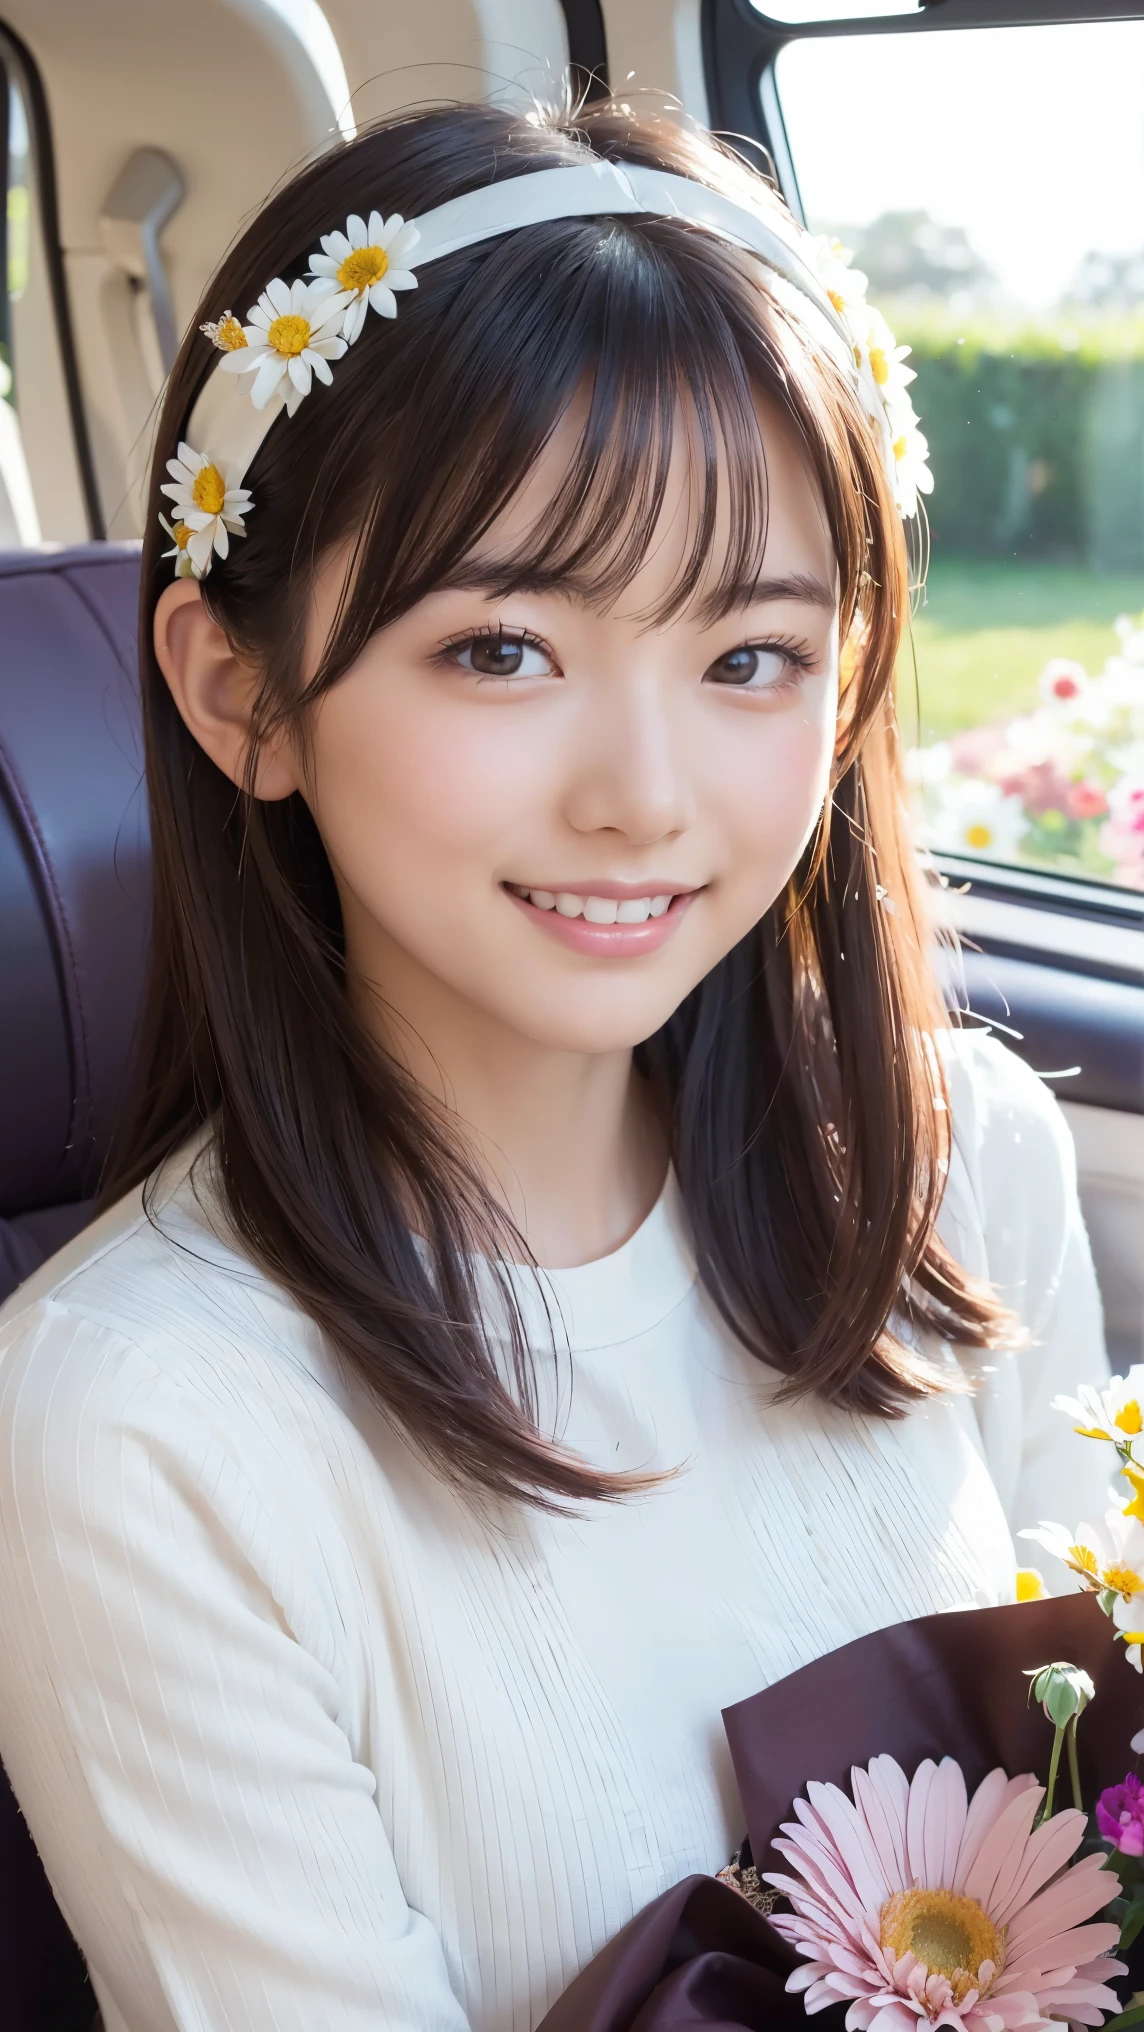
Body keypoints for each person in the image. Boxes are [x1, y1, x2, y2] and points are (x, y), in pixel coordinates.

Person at [0, 97, 1111, 2032]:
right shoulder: (139, 1428)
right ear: (238, 691)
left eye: (750, 656)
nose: (644, 796)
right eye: (505, 648)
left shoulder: (959, 1165)